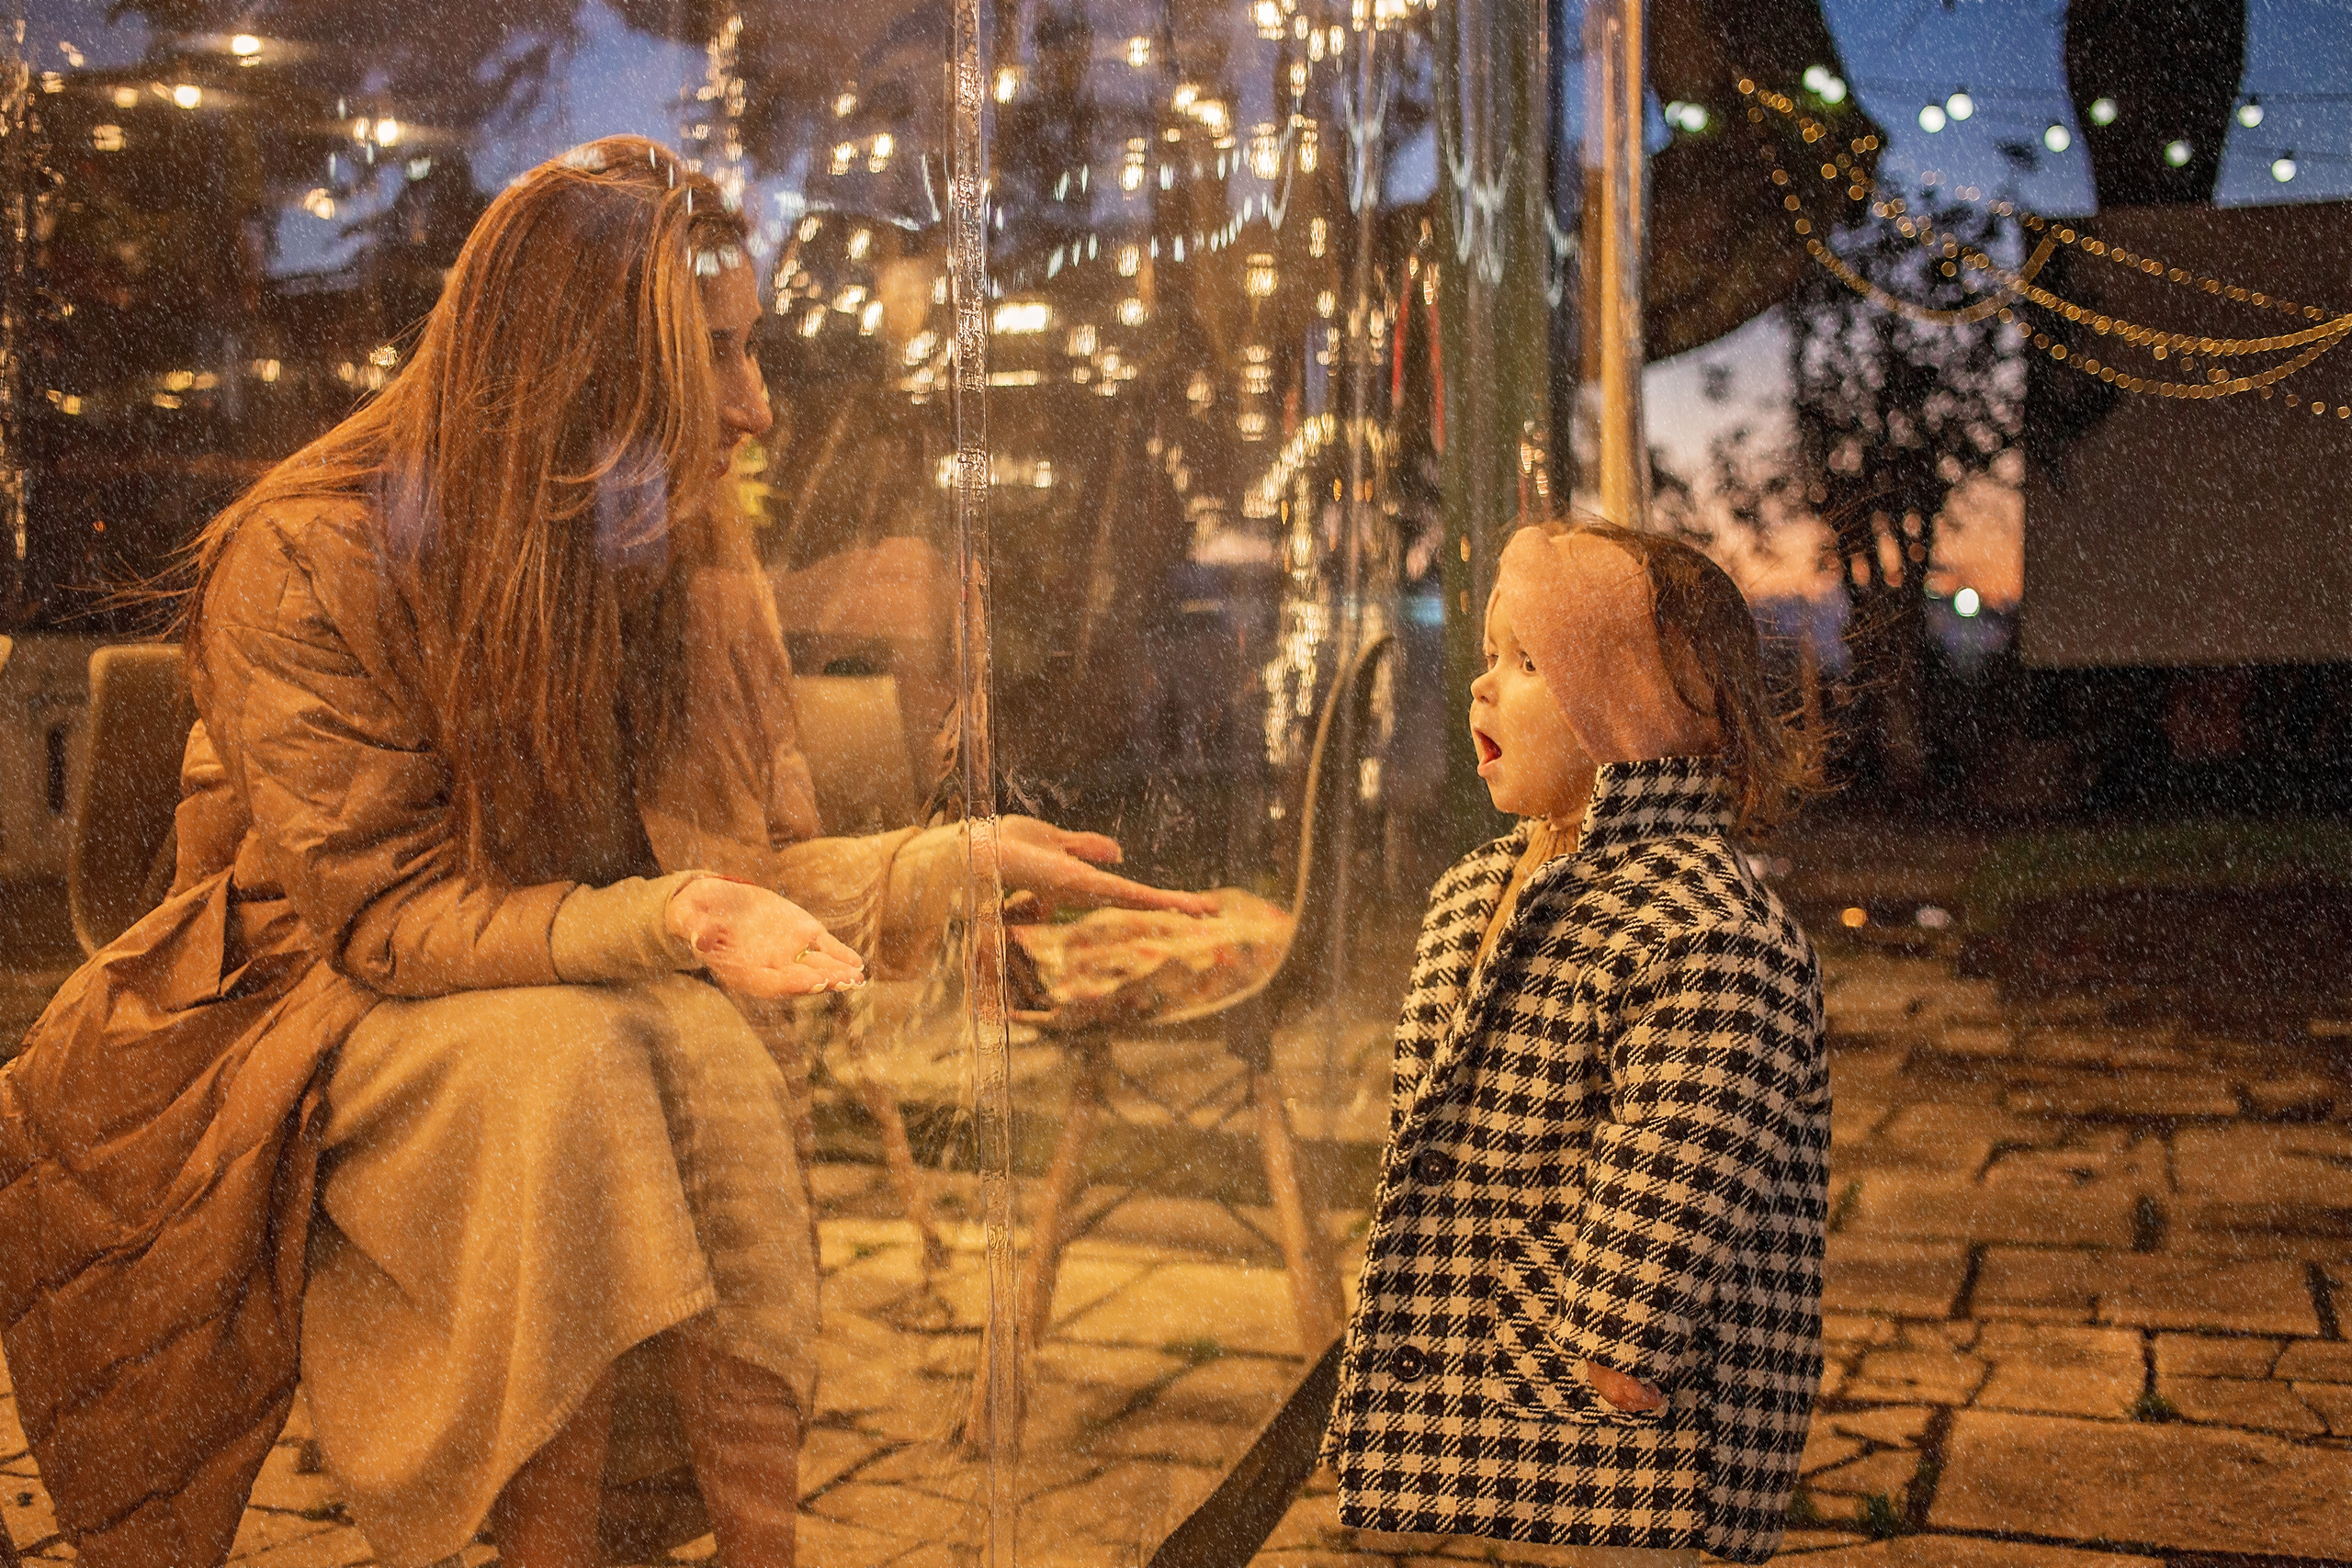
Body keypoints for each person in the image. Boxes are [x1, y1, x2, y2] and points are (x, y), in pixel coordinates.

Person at [0, 136, 1206, 1568]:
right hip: (292, 1004)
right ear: (581, 367)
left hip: (547, 988)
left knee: (687, 1053)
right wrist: (676, 921)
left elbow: (719, 874)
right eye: (720, 354)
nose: (758, 411)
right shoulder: (304, 555)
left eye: (756, 351)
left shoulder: (669, 552)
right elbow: (387, 919)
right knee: (583, 1068)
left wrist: (943, 861)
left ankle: (766, 1543)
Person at [1322, 517, 1830, 1566]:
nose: (1480, 687)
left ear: (1633, 710)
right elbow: (1442, 1130)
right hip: (1507, 1370)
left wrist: (1621, 1332)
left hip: (1643, 1420)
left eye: (1527, 662)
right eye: (1486, 657)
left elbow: (1686, 1137)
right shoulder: (1482, 890)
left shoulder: (1702, 927)